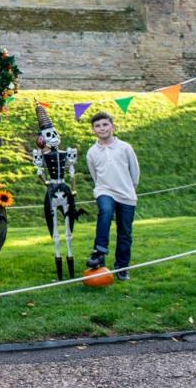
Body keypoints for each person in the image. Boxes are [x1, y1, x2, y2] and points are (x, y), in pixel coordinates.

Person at [85, 111, 140, 281]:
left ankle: (122, 267)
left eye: (105, 124)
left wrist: (129, 189)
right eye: (97, 126)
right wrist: (103, 189)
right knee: (105, 211)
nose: (102, 128)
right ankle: (99, 252)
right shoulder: (92, 152)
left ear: (112, 126)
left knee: (125, 233)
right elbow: (95, 176)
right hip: (105, 190)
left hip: (126, 194)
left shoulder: (125, 147)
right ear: (93, 130)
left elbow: (135, 173)